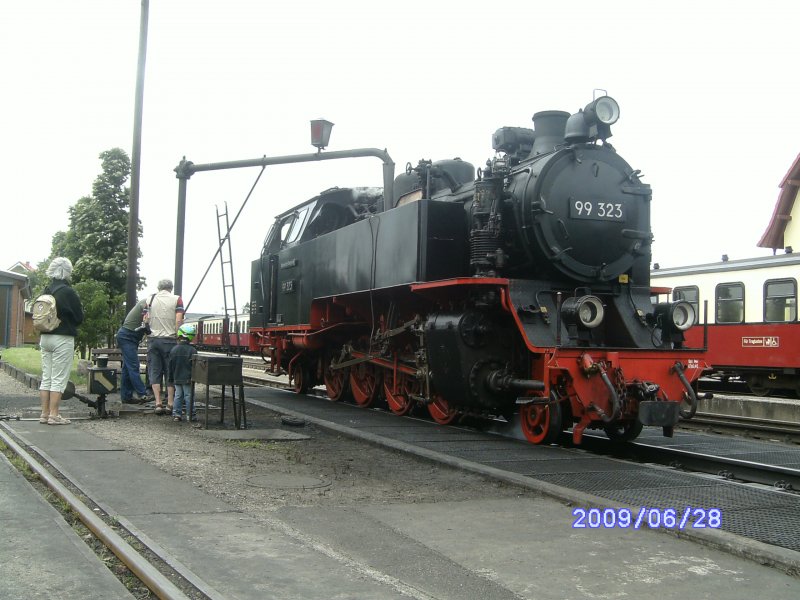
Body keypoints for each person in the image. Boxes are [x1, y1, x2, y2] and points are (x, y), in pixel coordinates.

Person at [39, 257, 84, 425]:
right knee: (59, 378)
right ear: (68, 271)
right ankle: (54, 415)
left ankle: (44, 414)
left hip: (45, 336)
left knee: (46, 377)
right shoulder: (68, 292)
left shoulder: (46, 290)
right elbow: (79, 318)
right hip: (62, 338)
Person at [146, 279, 184, 415]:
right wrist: (178, 336)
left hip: (153, 340)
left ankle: (158, 403)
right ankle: (170, 404)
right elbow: (178, 320)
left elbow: (145, 319)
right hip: (170, 340)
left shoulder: (150, 299)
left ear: (158, 287)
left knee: (155, 370)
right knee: (170, 372)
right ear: (171, 288)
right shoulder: (177, 299)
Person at [115, 297, 153, 404]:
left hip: (128, 336)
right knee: (134, 366)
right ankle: (142, 394)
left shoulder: (148, 303)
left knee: (127, 369)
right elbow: (146, 319)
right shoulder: (146, 302)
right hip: (127, 336)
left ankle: (126, 397)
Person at [169, 323, 198, 422]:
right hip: (188, 378)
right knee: (189, 396)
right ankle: (191, 415)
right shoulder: (192, 350)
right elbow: (195, 366)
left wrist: (170, 378)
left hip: (177, 377)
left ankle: (177, 414)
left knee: (178, 396)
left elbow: (170, 366)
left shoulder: (174, 350)